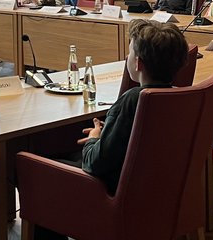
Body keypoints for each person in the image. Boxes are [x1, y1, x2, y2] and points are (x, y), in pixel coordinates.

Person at [31, 20, 188, 240]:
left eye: (130, 53)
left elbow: (95, 164)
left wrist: (94, 138)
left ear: (138, 63)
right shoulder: (181, 96)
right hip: (157, 191)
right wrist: (111, 131)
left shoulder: (133, 99)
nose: (127, 57)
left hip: (117, 193)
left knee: (36, 172)